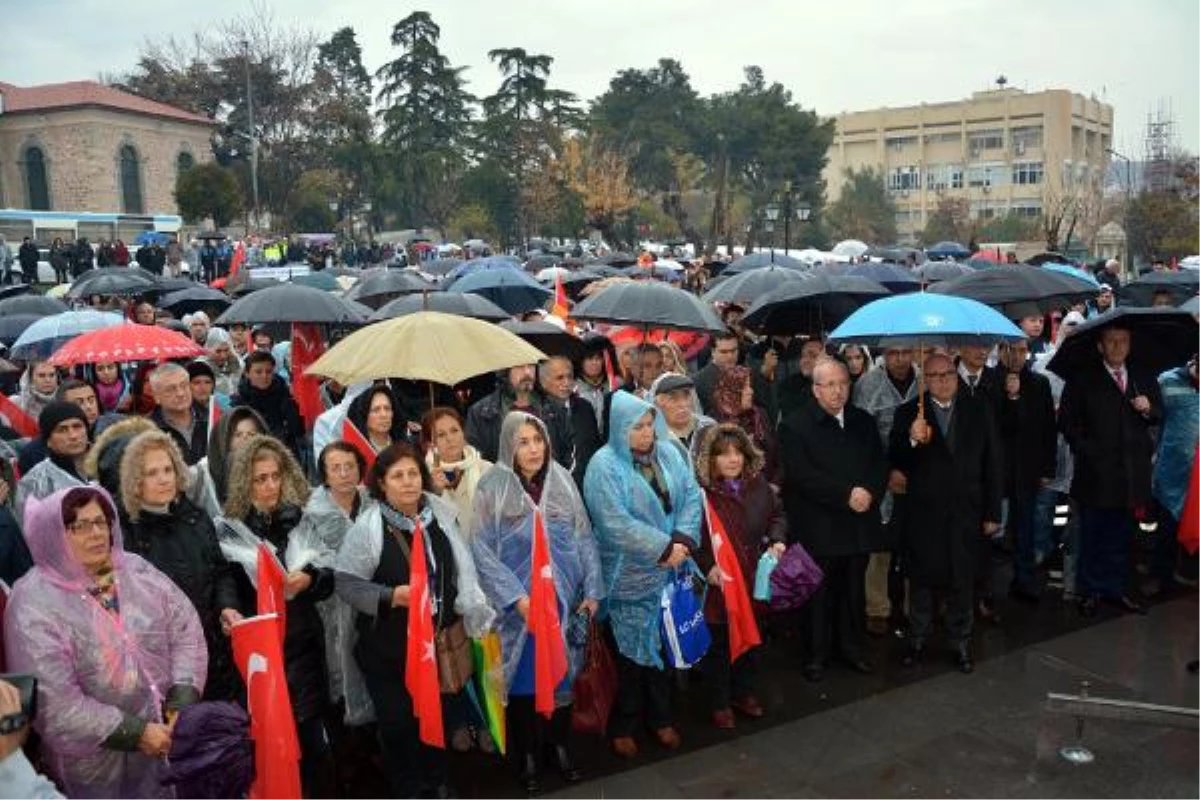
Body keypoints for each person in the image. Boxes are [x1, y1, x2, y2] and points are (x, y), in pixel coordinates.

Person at [4, 486, 207, 798]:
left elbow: (185, 631)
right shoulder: (33, 602)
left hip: (167, 738)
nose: (96, 533)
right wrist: (135, 733)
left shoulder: (135, 570)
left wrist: (182, 699)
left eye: (101, 522)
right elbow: (55, 704)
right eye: (79, 526)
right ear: (53, 535)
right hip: (95, 766)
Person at [334, 442, 494, 800]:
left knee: (432, 718)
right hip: (388, 652)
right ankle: (407, 788)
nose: (407, 482)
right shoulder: (370, 528)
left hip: (434, 647)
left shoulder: (440, 517)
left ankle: (437, 782)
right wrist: (391, 597)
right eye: (397, 476)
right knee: (399, 725)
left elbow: (458, 573)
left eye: (412, 474)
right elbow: (346, 583)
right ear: (381, 484)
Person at [469, 412, 602, 791]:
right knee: (525, 683)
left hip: (562, 602)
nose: (532, 449)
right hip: (520, 611)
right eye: (523, 441)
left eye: (538, 440)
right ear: (508, 445)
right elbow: (481, 549)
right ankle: (526, 754)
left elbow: (584, 537)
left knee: (561, 675)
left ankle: (558, 746)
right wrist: (516, 598)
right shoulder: (492, 487)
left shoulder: (561, 481)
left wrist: (592, 589)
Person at [582, 390, 703, 758]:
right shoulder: (604, 465)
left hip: (672, 568)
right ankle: (625, 723)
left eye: (650, 424)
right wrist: (663, 548)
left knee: (664, 647)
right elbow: (613, 523)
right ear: (620, 428)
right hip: (627, 575)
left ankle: (662, 718)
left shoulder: (668, 452)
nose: (646, 433)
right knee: (630, 657)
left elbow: (691, 495)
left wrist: (681, 540)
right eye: (637, 427)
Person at [220, 435, 336, 795]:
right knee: (274, 746)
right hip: (264, 654)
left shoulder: (299, 520)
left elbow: (329, 573)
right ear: (245, 482)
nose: (270, 486)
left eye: (275, 476)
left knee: (313, 742)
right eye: (260, 479)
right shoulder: (230, 530)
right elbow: (223, 578)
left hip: (303, 647)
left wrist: (311, 578)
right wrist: (228, 608)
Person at [890, 354, 1002, 674]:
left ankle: (961, 641)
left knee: (962, 579)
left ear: (957, 374)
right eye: (935, 375)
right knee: (922, 581)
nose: (943, 380)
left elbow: (993, 461)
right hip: (924, 514)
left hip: (967, 510)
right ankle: (917, 639)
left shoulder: (979, 408)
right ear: (925, 379)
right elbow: (894, 460)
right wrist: (912, 438)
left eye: (948, 373)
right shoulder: (908, 412)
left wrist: (993, 510)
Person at [781, 357, 888, 682]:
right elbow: (801, 475)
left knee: (853, 589)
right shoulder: (795, 425)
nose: (838, 391)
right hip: (819, 525)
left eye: (843, 383)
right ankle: (816, 654)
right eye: (830, 385)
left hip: (857, 524)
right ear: (815, 390)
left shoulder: (862, 421)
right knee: (818, 593)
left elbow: (878, 464)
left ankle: (852, 648)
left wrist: (870, 491)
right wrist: (845, 494)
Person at [118, 430, 243, 701]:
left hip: (216, 654)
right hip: (166, 666)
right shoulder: (125, 535)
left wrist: (227, 606)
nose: (163, 479)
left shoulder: (196, 519)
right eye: (152, 473)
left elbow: (221, 572)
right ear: (135, 481)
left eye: (168, 469)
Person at [1060, 326, 1162, 616]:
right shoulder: (1083, 379)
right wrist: (1087, 448)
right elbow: (1067, 422)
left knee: (1122, 534)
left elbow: (1159, 413)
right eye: (1111, 341)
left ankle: (1115, 588)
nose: (1118, 346)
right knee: (1093, 534)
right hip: (1096, 473)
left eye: (1123, 341)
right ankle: (1090, 590)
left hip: (1132, 473)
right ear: (1100, 346)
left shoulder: (1142, 377)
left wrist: (1148, 408)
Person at [692, 423, 786, 724]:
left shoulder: (758, 484)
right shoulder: (700, 495)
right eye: (723, 454)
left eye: (738, 453)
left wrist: (777, 539)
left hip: (753, 577)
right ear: (710, 459)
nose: (733, 460)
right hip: (720, 582)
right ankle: (720, 701)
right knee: (719, 643)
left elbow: (778, 514)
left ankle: (744, 692)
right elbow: (691, 537)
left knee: (752, 637)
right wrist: (708, 568)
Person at [852, 346, 921, 636]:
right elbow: (861, 435)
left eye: (906, 352)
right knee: (879, 546)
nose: (901, 359)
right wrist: (885, 472)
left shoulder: (924, 380)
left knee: (915, 543)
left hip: (918, 472)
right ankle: (877, 607)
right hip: (879, 473)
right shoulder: (867, 384)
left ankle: (913, 605)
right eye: (894, 353)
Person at [995, 339, 1057, 602]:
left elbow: (1047, 428)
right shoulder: (990, 382)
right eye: (1011, 350)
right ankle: (985, 588)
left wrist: (1047, 467)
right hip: (997, 467)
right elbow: (999, 426)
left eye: (1022, 350)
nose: (1017, 356)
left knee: (1026, 526)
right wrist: (1010, 397)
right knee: (992, 526)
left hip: (1027, 467)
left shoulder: (1039, 384)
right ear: (1000, 351)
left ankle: (1024, 579)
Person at [1148, 355, 1200, 598]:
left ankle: (1190, 573)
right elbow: (1154, 420)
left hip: (1198, 477)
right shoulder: (1167, 381)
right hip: (1171, 471)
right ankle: (1162, 579)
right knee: (1167, 529)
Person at [466, 364, 574, 470]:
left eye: (531, 366)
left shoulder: (554, 409)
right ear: (505, 372)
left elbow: (569, 456)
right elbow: (474, 462)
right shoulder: (481, 413)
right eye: (519, 366)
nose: (527, 372)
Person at [14, 401, 90, 524]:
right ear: (48, 440)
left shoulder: (104, 464)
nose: (73, 435)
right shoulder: (35, 482)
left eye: (77, 426)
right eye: (62, 430)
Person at [423, 406, 491, 531]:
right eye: (441, 435)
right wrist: (435, 492)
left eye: (454, 431)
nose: (450, 438)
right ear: (429, 444)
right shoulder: (422, 477)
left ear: (463, 434)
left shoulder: (487, 470)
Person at [709, 365, 779, 486]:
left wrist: (776, 483)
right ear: (732, 390)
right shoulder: (714, 422)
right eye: (744, 387)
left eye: (750, 386)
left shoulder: (760, 415)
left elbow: (776, 453)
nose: (751, 391)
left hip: (769, 490)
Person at [538, 355, 603, 486]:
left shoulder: (585, 407)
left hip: (588, 484)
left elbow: (594, 448)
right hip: (556, 487)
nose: (567, 382)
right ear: (543, 382)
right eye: (559, 378)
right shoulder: (538, 413)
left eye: (570, 376)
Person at [195, 406, 267, 518]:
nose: (245, 439)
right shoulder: (202, 474)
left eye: (251, 434)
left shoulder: (273, 466)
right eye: (237, 435)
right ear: (225, 439)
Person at [233, 350, 306, 459]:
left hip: (284, 453)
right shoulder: (239, 402)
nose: (264, 376)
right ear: (247, 374)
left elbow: (298, 430)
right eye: (258, 372)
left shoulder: (285, 395)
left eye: (268, 371)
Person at [148, 362, 209, 465]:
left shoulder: (211, 418)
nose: (180, 393)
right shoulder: (150, 432)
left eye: (184, 385)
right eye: (170, 389)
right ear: (156, 397)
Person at [650, 373, 715, 466]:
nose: (683, 404)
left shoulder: (709, 426)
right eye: (673, 398)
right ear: (658, 403)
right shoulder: (653, 436)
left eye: (686, 396)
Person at [346, 384, 408, 453]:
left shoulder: (406, 447)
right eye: (376, 410)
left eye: (387, 408)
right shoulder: (354, 451)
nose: (384, 415)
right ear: (364, 415)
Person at [204, 327, 243, 397]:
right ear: (209, 349)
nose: (223, 356)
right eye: (218, 351)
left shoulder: (237, 363)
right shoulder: (201, 366)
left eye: (226, 350)